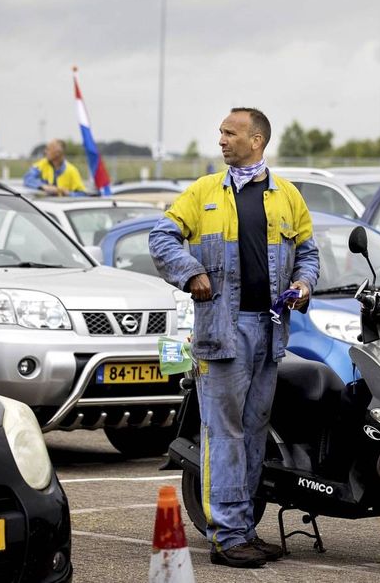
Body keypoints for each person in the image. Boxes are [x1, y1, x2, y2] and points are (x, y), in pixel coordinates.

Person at [149, 107, 320, 569]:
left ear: (257, 140)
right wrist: (190, 273)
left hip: (270, 329)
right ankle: (226, 536)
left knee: (252, 434)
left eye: (230, 132)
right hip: (223, 333)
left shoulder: (286, 196)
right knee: (222, 434)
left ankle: (243, 529)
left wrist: (304, 285)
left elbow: (308, 252)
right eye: (221, 132)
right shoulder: (204, 192)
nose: (221, 140)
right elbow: (162, 238)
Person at [23, 139, 87, 196]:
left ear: (57, 153)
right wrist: (43, 186)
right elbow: (27, 178)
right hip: (42, 205)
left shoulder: (72, 170)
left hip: (62, 206)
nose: (45, 152)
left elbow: (82, 193)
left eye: (48, 149)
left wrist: (67, 193)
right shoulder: (41, 164)